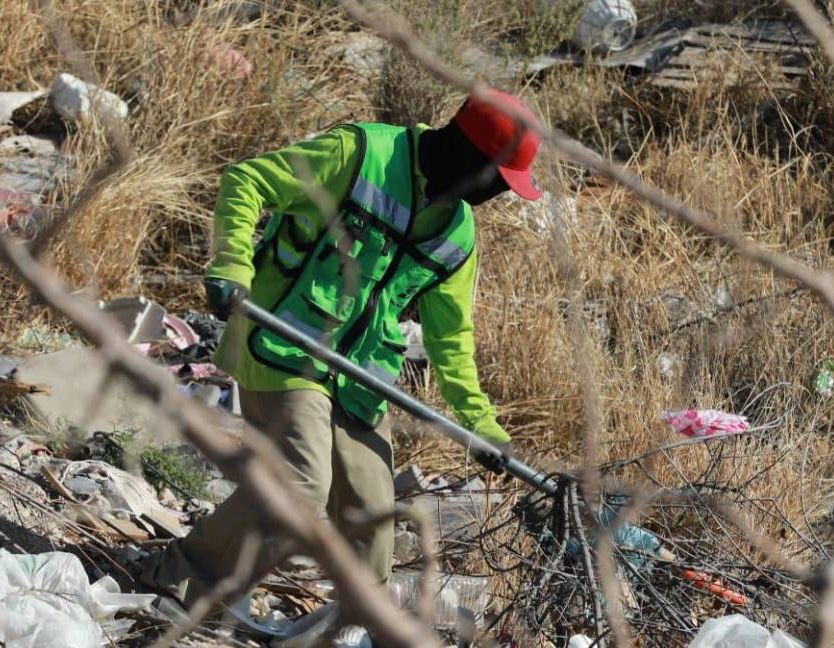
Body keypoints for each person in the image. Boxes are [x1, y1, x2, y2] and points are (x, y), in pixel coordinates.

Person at [141, 91, 543, 611]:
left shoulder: (457, 235)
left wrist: (481, 424)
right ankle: (175, 578)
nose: (498, 196)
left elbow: (451, 339)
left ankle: (346, 643)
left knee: (374, 527)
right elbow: (248, 180)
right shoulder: (360, 155)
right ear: (470, 158)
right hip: (284, 348)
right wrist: (232, 266)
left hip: (357, 379)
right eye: (498, 181)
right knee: (302, 482)